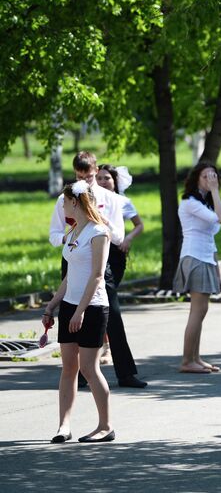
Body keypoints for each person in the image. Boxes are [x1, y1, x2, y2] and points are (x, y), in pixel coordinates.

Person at [49, 152, 146, 388]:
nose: (85, 181)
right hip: (74, 255)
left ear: (96, 171)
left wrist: (100, 220)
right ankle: (79, 372)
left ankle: (125, 372)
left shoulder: (110, 198)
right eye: (80, 176)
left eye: (90, 176)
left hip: (104, 256)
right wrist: (70, 238)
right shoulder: (67, 198)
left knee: (110, 311)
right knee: (72, 306)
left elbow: (120, 236)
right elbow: (54, 235)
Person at [44, 181, 115, 443]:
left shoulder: (98, 232)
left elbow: (97, 276)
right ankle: (64, 425)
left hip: (93, 307)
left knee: (89, 368)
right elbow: (70, 276)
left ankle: (105, 426)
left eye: (63, 202)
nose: (61, 207)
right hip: (70, 306)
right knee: (68, 368)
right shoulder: (74, 232)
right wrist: (53, 305)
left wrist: (80, 311)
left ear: (75, 202)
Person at [174, 162, 221, 373]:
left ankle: (195, 357)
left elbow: (212, 232)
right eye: (205, 176)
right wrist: (215, 191)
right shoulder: (189, 202)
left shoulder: (205, 203)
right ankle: (187, 361)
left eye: (213, 176)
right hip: (194, 257)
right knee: (197, 310)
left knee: (200, 311)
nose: (210, 179)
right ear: (196, 179)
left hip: (204, 257)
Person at [95, 164, 145, 365]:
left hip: (116, 254)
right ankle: (102, 347)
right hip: (96, 250)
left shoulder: (123, 201)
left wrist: (128, 239)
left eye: (106, 178)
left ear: (115, 181)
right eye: (98, 178)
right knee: (100, 302)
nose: (102, 181)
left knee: (108, 299)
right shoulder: (92, 200)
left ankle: (108, 349)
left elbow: (139, 225)